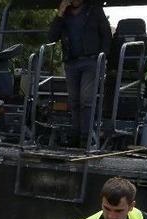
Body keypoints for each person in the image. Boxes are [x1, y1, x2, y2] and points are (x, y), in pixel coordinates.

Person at [48, 0, 111, 147]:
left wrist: (103, 57)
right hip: (71, 62)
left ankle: (86, 138)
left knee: (86, 99)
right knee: (74, 101)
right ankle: (75, 136)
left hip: (91, 61)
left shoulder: (94, 9)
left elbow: (106, 34)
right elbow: (51, 37)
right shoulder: (65, 13)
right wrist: (60, 13)